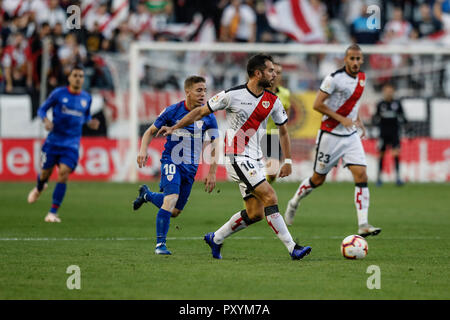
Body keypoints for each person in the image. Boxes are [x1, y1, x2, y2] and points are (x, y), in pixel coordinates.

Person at [157, 54, 312, 261]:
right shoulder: (232, 95)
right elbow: (200, 112)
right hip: (236, 157)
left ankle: (216, 238)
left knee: (255, 212)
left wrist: (288, 161)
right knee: (270, 197)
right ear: (258, 73)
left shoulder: (273, 101)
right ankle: (293, 248)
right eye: (270, 71)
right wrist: (175, 126)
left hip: (256, 159)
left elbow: (283, 131)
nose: (275, 75)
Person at [284, 44, 381, 238]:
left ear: (362, 61)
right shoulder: (334, 79)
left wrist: (358, 120)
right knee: (318, 179)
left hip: (350, 135)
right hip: (330, 135)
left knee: (361, 175)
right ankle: (294, 202)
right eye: (351, 58)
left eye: (358, 59)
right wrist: (341, 119)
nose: (355, 62)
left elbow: (354, 104)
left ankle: (363, 224)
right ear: (345, 60)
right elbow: (317, 104)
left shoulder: (362, 78)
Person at [132, 76, 219, 255]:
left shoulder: (209, 116)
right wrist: (142, 150)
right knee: (171, 198)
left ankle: (147, 195)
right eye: (199, 90)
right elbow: (150, 131)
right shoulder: (173, 111)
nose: (203, 94)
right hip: (171, 162)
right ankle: (160, 245)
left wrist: (212, 172)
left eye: (204, 90)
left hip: (191, 169)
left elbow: (216, 144)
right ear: (187, 92)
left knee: (175, 211)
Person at [27, 65, 100, 222]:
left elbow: (85, 116)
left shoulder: (86, 98)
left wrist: (90, 122)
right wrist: (46, 120)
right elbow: (41, 110)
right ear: (69, 78)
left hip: (71, 144)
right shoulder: (58, 94)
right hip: (54, 141)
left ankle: (52, 212)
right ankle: (40, 187)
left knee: (63, 173)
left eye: (81, 76)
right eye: (75, 75)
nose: (78, 78)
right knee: (45, 173)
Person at [373, 82, 408, 186]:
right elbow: (375, 118)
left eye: (390, 91)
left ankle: (397, 178)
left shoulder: (397, 104)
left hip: (394, 133)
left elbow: (403, 117)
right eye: (387, 91)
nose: (389, 93)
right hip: (383, 133)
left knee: (396, 154)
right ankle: (379, 178)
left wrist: (408, 126)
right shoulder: (380, 104)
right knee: (381, 155)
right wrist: (374, 124)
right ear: (384, 92)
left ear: (393, 92)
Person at [263, 62, 292, 184]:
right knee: (268, 170)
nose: (276, 75)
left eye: (279, 73)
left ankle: (260, 192)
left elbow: (286, 113)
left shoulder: (285, 94)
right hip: (260, 135)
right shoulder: (259, 92)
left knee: (273, 173)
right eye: (273, 71)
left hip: (276, 136)